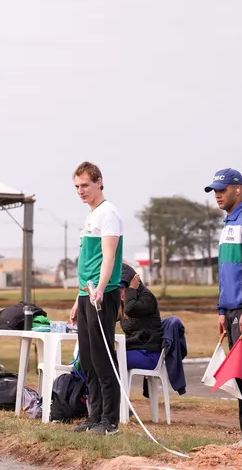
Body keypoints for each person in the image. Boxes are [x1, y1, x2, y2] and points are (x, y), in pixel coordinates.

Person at [68, 161, 123, 435]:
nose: (81, 191)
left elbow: (109, 256)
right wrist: (79, 298)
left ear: (99, 181)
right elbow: (88, 262)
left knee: (103, 358)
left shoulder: (108, 213)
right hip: (86, 295)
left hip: (103, 294)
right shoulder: (91, 215)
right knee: (88, 360)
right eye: (77, 186)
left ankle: (110, 420)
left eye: (85, 185)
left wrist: (100, 289)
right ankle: (94, 415)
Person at [205, 167, 242, 429]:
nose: (218, 195)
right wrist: (221, 310)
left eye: (223, 190)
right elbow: (226, 272)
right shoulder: (228, 222)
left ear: (238, 189)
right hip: (230, 311)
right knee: (240, 378)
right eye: (215, 191)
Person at [118, 263, 163, 371]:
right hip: (132, 350)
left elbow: (131, 309)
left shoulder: (147, 298)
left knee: (107, 361)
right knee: (98, 358)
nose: (122, 292)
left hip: (149, 353)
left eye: (124, 287)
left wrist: (131, 289)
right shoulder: (125, 302)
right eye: (118, 288)